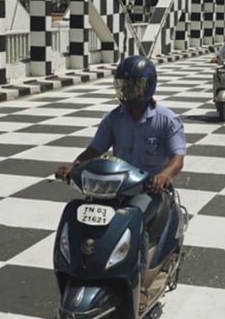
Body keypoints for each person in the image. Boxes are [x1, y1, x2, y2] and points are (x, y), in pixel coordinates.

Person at [56, 56, 186, 251]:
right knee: (83, 219)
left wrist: (164, 175)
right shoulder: (113, 118)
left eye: (134, 86)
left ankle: (137, 276)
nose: (127, 91)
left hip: (150, 190)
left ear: (148, 87)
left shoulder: (167, 120)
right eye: (124, 85)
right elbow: (94, 150)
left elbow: (178, 159)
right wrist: (74, 167)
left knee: (135, 223)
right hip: (115, 187)